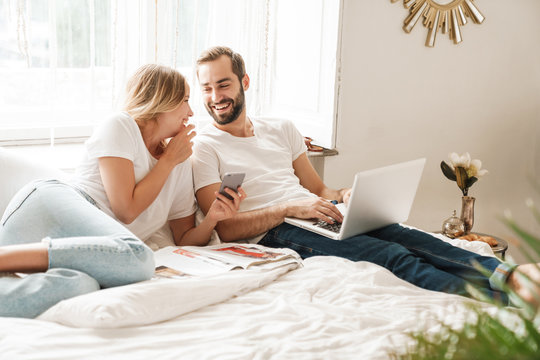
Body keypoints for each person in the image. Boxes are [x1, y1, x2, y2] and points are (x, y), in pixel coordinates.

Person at [191, 46, 540, 307]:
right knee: (394, 256)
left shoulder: (281, 128)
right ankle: (500, 305)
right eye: (206, 89)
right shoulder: (206, 148)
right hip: (276, 231)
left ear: (244, 82)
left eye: (223, 85)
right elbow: (225, 227)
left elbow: (320, 189)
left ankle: (509, 276)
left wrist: (345, 196)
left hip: (319, 212)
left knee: (411, 238)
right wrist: (289, 209)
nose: (216, 97)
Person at [0, 64, 243, 318]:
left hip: (79, 250)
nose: (191, 112)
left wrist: (213, 218)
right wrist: (168, 160)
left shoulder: (179, 162)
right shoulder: (120, 126)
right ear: (162, 100)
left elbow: (183, 239)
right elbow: (125, 210)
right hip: (49, 208)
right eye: (184, 101)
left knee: (81, 286)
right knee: (139, 259)